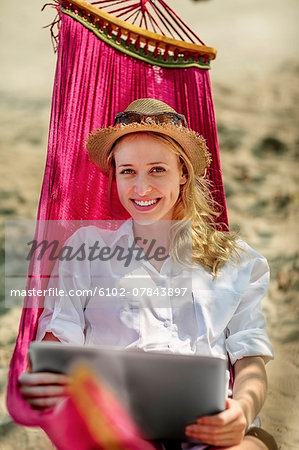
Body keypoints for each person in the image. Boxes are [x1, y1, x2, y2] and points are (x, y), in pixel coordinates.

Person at [18, 98, 277, 449]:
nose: (141, 189)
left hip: (214, 437)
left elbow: (250, 360)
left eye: (157, 170)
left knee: (252, 446)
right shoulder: (88, 250)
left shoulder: (234, 260)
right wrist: (45, 375)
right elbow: (59, 340)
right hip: (117, 434)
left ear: (183, 172)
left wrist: (243, 412)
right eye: (128, 171)